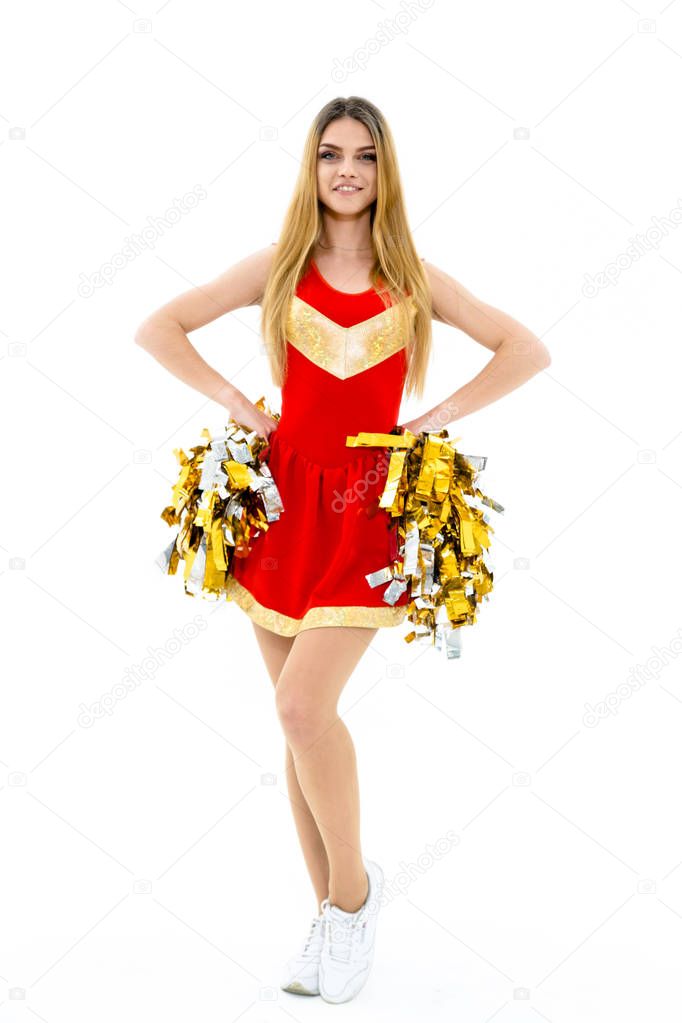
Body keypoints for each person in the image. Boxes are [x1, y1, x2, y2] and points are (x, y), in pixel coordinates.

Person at [135, 95, 551, 1004]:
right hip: (281, 509)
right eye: (331, 155)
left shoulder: (413, 274)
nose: (348, 170)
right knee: (297, 722)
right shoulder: (280, 265)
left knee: (299, 710)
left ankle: (353, 904)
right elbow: (157, 327)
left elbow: (526, 349)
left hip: (366, 514)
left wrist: (433, 420)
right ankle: (329, 915)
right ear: (312, 168)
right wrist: (242, 407)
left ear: (385, 168)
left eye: (364, 155)